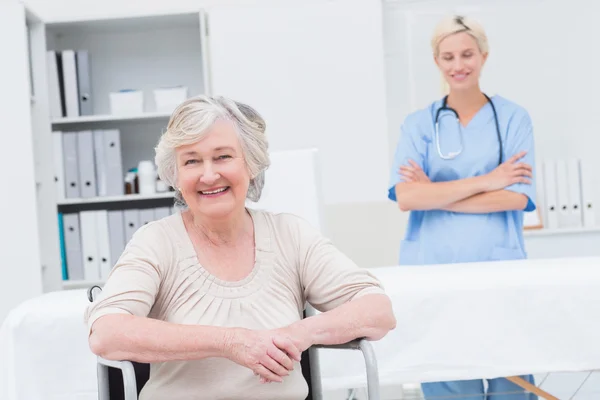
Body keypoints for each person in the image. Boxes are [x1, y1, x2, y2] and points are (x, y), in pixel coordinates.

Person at [85, 95, 396, 400]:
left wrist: (297, 334)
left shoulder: (290, 234)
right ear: (175, 175)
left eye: (223, 157)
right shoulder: (156, 241)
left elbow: (377, 311)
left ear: (251, 164)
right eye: (192, 161)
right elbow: (106, 333)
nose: (209, 175)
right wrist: (230, 342)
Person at [388, 15, 538, 400]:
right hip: (433, 271)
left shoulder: (513, 119)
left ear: (484, 56)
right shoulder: (419, 125)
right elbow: (407, 197)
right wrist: (489, 180)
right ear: (437, 62)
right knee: (449, 379)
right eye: (448, 56)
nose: (458, 65)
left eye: (467, 54)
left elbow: (517, 198)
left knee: (511, 383)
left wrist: (436, 191)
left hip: (498, 268)